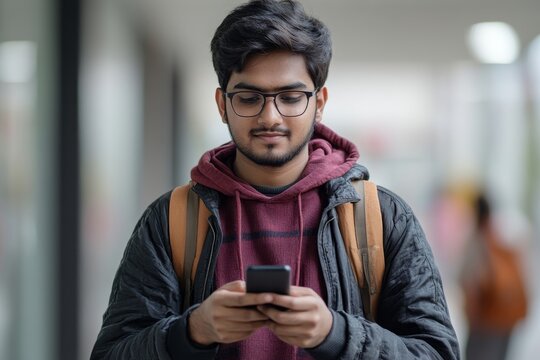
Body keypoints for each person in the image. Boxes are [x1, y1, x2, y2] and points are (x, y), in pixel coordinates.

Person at [91, 1, 460, 359]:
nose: (271, 116)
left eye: (290, 96)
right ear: (222, 105)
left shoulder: (380, 217)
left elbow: (437, 352)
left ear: (320, 102)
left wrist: (337, 335)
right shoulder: (171, 220)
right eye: (250, 98)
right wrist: (192, 332)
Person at [460, 192, 528, 360]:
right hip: (505, 319)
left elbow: (469, 280)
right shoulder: (501, 236)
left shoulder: (477, 242)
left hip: (484, 322)